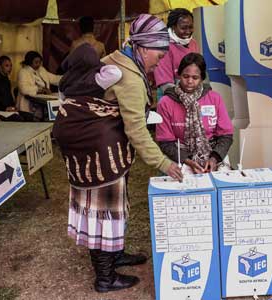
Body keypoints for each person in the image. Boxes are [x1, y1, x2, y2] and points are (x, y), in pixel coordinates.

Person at [53, 15, 183, 294]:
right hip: (99, 151)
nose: (159, 62)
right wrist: (164, 163)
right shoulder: (131, 78)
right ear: (144, 48)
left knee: (112, 206)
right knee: (103, 212)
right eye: (159, 56)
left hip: (90, 146)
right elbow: (135, 130)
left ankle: (115, 254)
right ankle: (105, 277)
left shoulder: (117, 57)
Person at [156, 53, 234, 174]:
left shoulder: (214, 98)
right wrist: (188, 161)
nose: (189, 81)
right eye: (185, 76)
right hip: (181, 157)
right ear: (178, 75)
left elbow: (226, 135)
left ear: (202, 78)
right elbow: (165, 142)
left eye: (195, 77)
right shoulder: (166, 103)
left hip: (213, 154)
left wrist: (214, 159)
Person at [153, 8, 199, 96]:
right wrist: (185, 97)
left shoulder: (193, 43)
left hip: (191, 94)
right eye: (183, 28)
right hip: (170, 94)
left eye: (190, 27)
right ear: (173, 27)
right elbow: (165, 84)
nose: (188, 31)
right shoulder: (164, 46)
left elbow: (199, 70)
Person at [16, 51, 61, 119]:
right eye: (36, 62)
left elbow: (54, 78)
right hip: (27, 106)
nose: (38, 64)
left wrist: (67, 77)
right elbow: (24, 89)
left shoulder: (41, 70)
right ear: (29, 62)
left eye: (40, 62)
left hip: (41, 103)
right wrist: (40, 90)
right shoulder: (23, 72)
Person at [0, 56, 34, 121]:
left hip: (8, 109)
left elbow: (8, 96)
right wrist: (5, 108)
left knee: (29, 116)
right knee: (19, 119)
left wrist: (13, 107)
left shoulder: (6, 79)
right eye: (7, 66)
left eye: (11, 66)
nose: (10, 68)